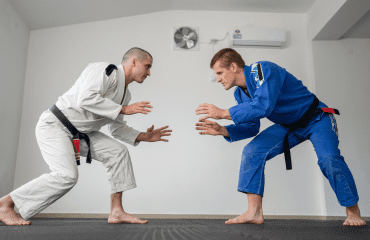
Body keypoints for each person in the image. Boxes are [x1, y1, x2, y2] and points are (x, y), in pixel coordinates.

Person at [0, 47, 172, 226]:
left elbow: (116, 128)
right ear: (134, 61)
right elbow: (85, 98)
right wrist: (124, 109)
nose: (149, 73)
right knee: (67, 175)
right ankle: (5, 205)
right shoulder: (106, 71)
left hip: (79, 133)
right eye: (147, 66)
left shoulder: (125, 95)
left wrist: (143, 136)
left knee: (118, 152)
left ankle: (116, 211)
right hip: (55, 124)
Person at [195, 48, 366, 226]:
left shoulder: (261, 70)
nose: (218, 79)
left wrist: (223, 112)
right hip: (288, 126)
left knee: (329, 159)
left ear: (233, 66)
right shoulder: (239, 93)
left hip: (316, 118)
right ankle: (254, 212)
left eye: (220, 73)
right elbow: (253, 126)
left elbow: (264, 106)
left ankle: (352, 211)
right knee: (252, 151)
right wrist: (225, 130)